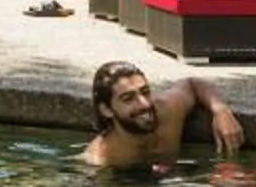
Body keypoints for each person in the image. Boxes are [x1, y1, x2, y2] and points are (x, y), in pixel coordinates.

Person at [79, 58, 242, 170]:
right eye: (128, 99)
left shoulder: (167, 111)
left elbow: (192, 84)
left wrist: (220, 110)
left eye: (145, 92)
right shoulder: (102, 159)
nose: (144, 104)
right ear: (106, 110)